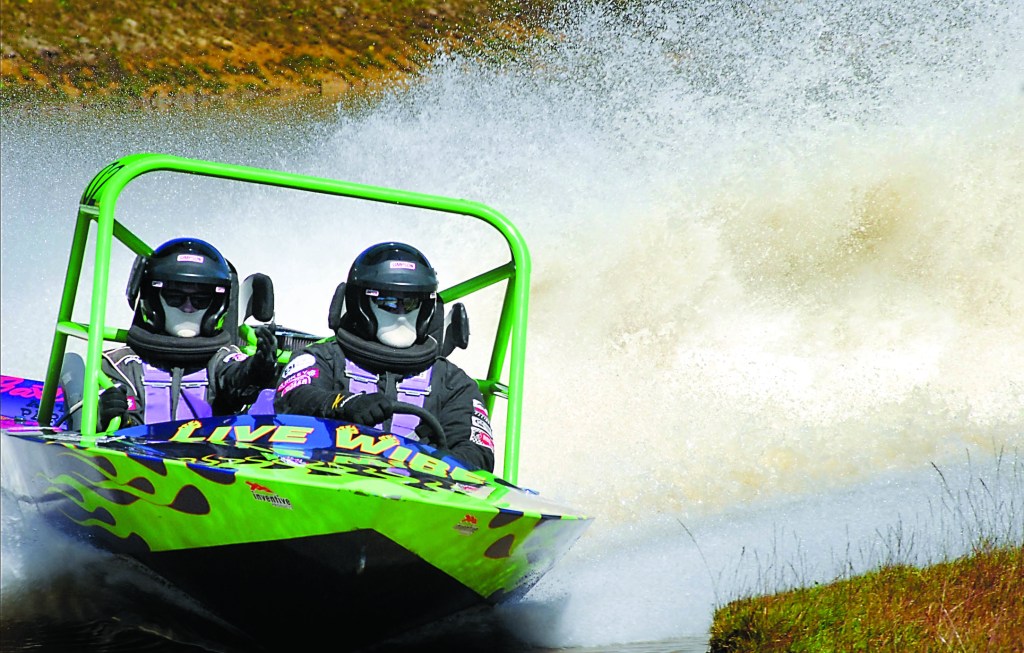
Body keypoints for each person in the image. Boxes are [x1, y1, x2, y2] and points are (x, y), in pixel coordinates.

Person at [273, 242, 495, 472]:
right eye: (388, 302)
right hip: (323, 476)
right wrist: (345, 404)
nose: (401, 313)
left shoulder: (452, 382)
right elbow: (293, 398)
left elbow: (477, 455)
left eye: (411, 302)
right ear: (359, 303)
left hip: (414, 489)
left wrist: (428, 465)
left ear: (428, 308)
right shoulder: (324, 358)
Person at [96, 237, 279, 429]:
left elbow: (238, 378)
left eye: (200, 300)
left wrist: (260, 366)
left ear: (217, 305)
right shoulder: (119, 364)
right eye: (175, 297)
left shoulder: (221, 359)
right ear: (153, 299)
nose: (188, 307)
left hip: (209, 448)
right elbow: (109, 428)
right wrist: (113, 416)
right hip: (136, 448)